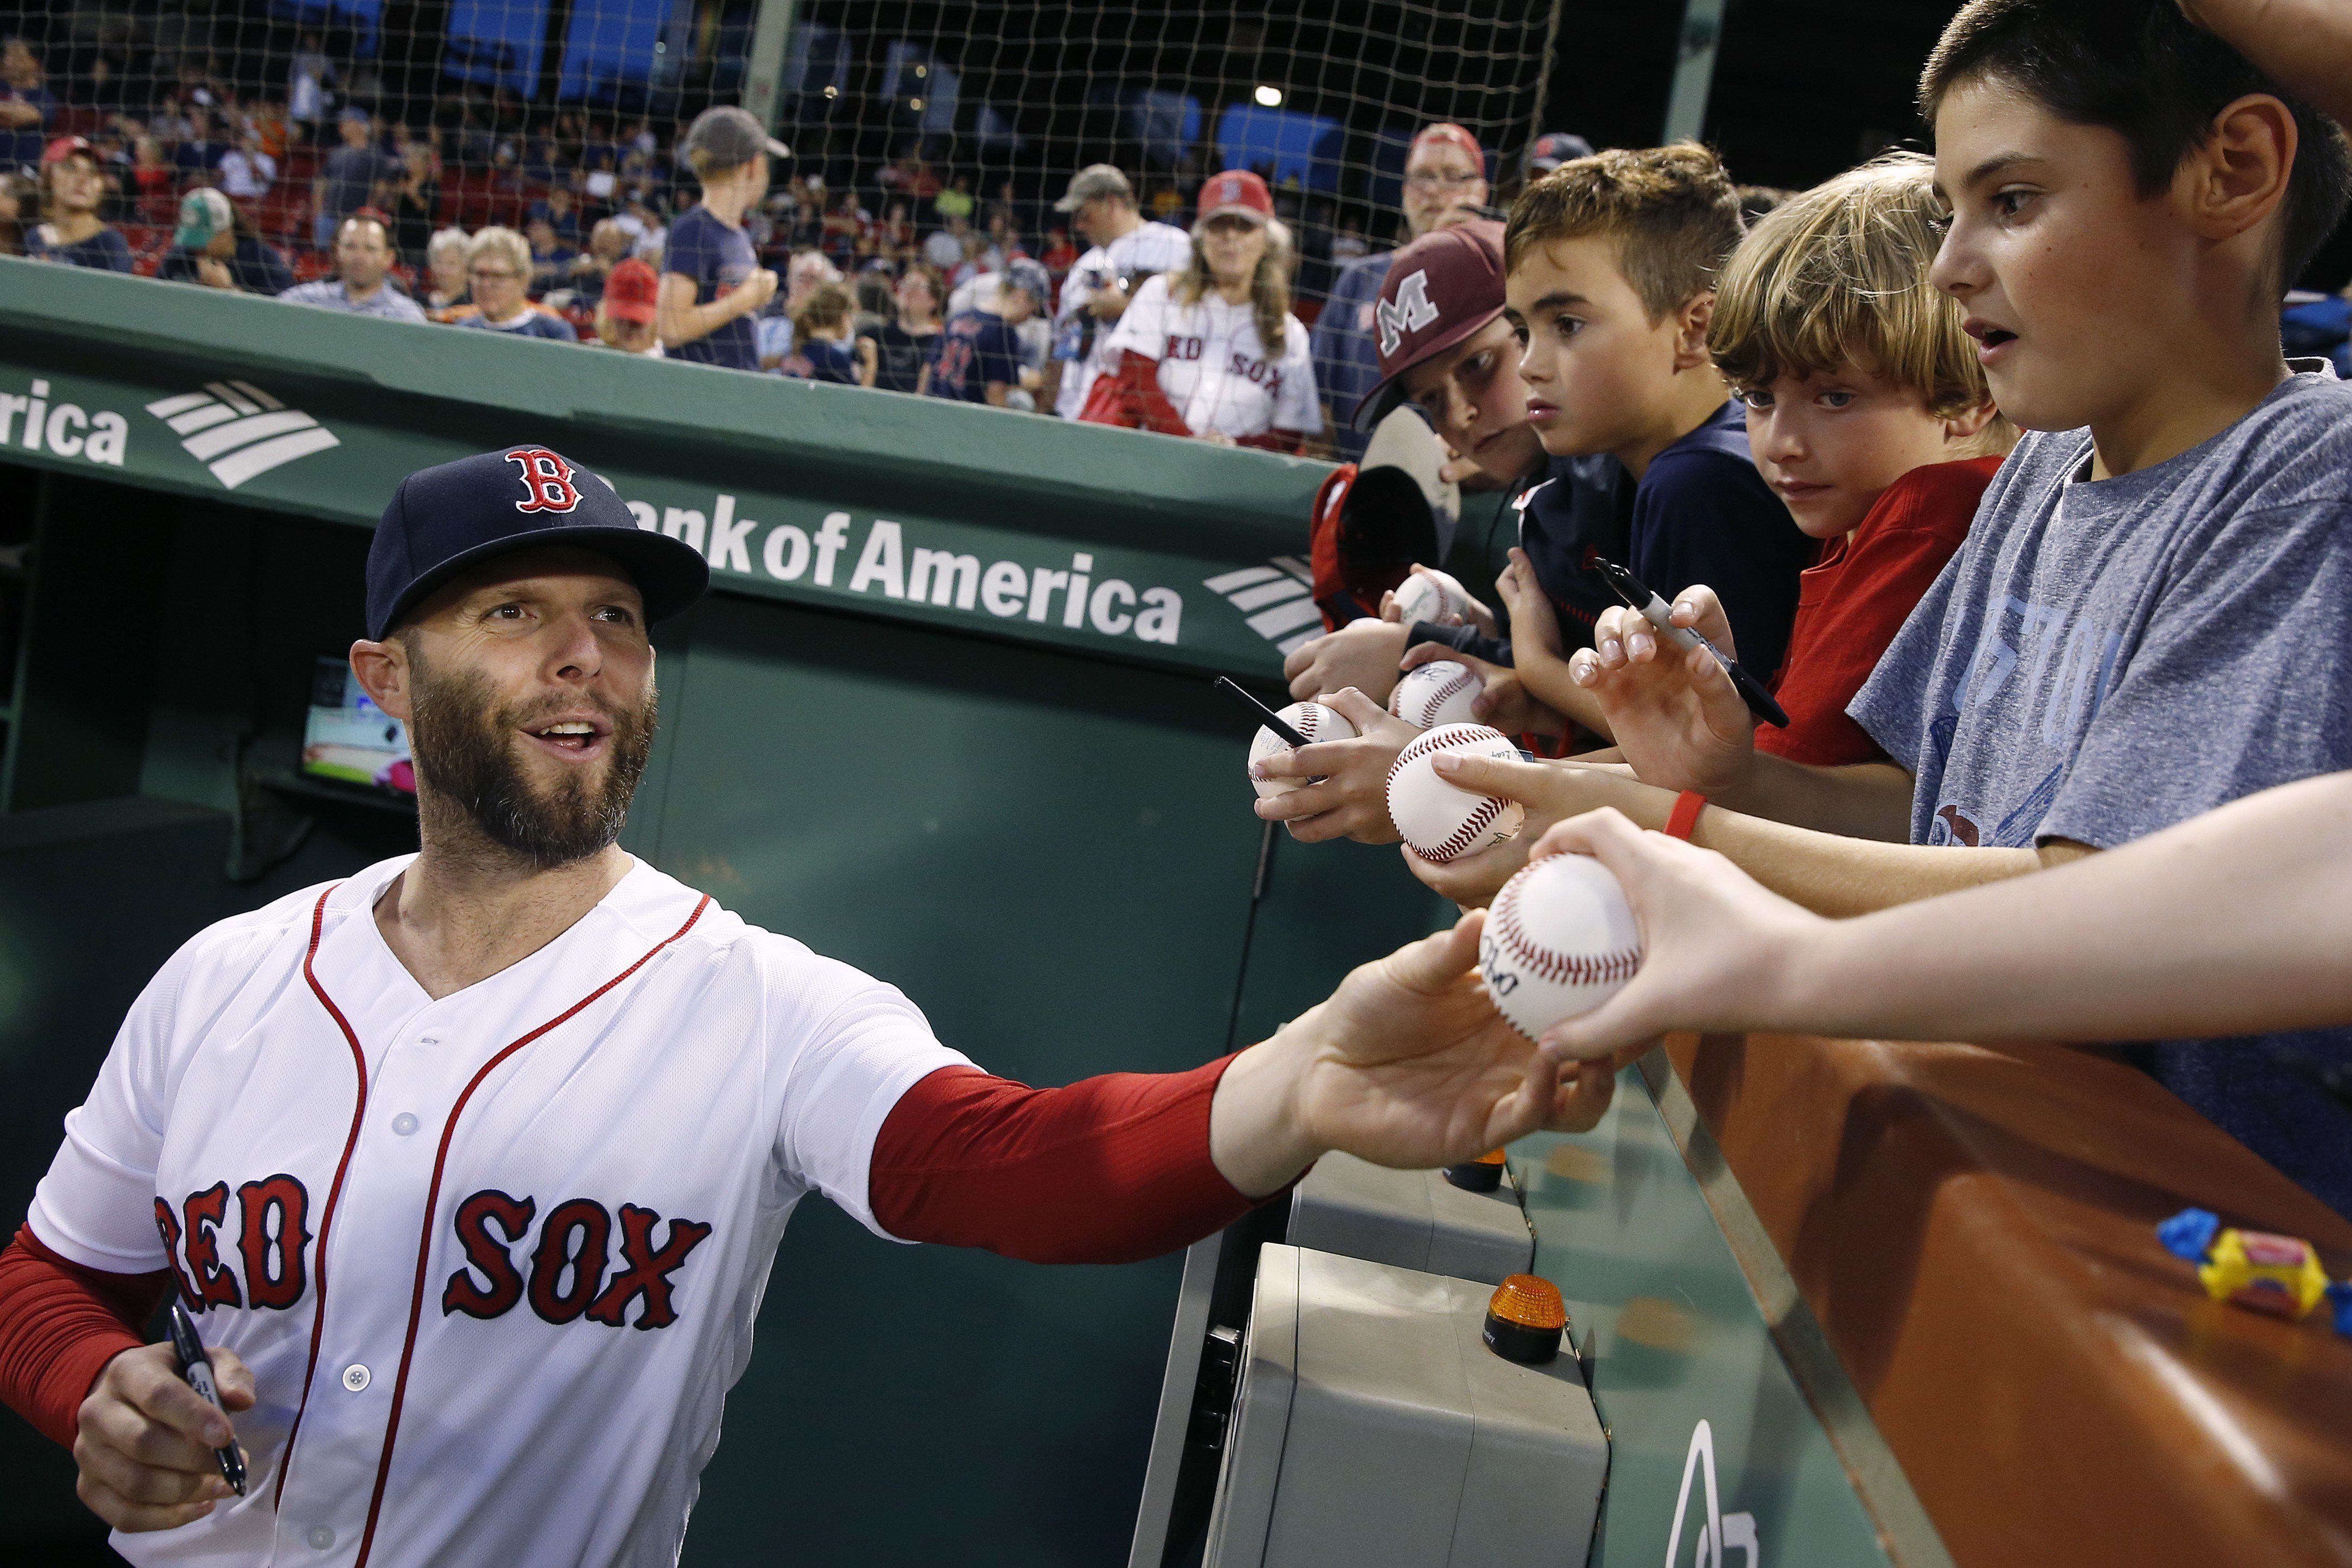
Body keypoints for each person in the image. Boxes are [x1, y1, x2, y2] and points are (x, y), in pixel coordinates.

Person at [0, 446, 1615, 1552]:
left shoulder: (753, 1000)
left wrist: (1307, 1070)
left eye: (617, 621)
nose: (585, 655)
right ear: (385, 680)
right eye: (515, 613)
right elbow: (50, 1271)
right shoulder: (221, 980)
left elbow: (1017, 1164)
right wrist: (96, 1384)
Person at [1420, 0, 2352, 1215]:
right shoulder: (2038, 470)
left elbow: (2081, 915)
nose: (1951, 263)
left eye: (2010, 201)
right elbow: (1920, 808)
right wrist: (1736, 774)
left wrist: (1673, 825)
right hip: (1984, 1169)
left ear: (2232, 171)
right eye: (1954, 208)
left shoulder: (2305, 478)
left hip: (2181, 1255)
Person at [1608, 151, 2012, 772]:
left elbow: (1782, 786)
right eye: (1760, 398)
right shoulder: (1858, 514)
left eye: (1836, 397)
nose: (1780, 442)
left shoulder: (1931, 513)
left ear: (1969, 398)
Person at [1081, 169, 1320, 451]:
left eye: (1244, 226)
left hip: (1234, 483)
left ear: (1267, 241)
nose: (1231, 236)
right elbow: (1134, 383)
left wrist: (1228, 451)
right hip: (1147, 460)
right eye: (1218, 226)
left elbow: (1289, 434)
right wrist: (1189, 443)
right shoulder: (1162, 294)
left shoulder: (1290, 333)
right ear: (1200, 238)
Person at [1313, 124, 1491, 461]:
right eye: (1423, 177)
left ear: (1480, 192)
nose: (1436, 191)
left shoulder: (1501, 276)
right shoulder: (1360, 278)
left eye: (1453, 176)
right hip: (1358, 475)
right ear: (1405, 191)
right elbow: (1321, 394)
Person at [1044, 163, 1192, 421]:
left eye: (1084, 214)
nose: (1078, 225)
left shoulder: (1175, 248)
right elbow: (1063, 347)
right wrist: (1048, 408)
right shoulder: (1083, 266)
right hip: (1076, 410)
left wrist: (1125, 308)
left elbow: (1194, 319)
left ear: (1111, 204)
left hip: (1141, 410)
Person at [657, 105, 784, 372]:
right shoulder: (693, 229)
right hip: (698, 396)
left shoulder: (738, 236)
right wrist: (746, 298)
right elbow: (671, 327)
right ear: (753, 165)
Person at [923, 257, 1046, 405]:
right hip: (966, 422)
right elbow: (995, 396)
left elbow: (927, 371)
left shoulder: (958, 318)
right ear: (1022, 295)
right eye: (1034, 307)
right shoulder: (1003, 332)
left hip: (933, 412)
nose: (1030, 316)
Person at [278, 212, 427, 322]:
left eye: (370, 249)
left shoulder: (406, 316)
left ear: (388, 258)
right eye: (351, 247)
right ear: (338, 252)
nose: (359, 257)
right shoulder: (307, 300)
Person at [157, 187, 293, 295]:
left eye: (202, 240)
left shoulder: (262, 260)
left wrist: (229, 291)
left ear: (227, 231)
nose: (196, 247)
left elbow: (285, 316)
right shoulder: (178, 258)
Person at [23, 137, 131, 273]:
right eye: (70, 168)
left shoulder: (110, 243)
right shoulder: (34, 237)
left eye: (92, 172)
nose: (83, 178)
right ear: (48, 177)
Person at [453, 225, 579, 341]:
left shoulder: (552, 333)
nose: (486, 284)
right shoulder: (463, 330)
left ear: (523, 280)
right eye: (480, 274)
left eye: (498, 276)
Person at [857, 261, 943, 392]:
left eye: (917, 287)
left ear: (934, 300)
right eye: (905, 284)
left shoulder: (940, 345)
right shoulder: (873, 335)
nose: (908, 291)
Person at [313, 109, 388, 253]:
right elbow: (321, 182)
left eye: (347, 122)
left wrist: (367, 214)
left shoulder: (375, 154)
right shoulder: (336, 152)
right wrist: (319, 213)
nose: (342, 126)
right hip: (329, 216)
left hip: (355, 220)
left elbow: (381, 188)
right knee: (322, 257)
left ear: (360, 126)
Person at [785, 279, 859, 383]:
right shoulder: (838, 361)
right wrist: (871, 365)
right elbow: (856, 398)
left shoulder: (794, 351)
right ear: (844, 316)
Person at [1, 38, 55, 173]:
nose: (8, 62)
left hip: (22, 175)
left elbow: (21, 118)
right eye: (7, 56)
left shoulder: (43, 97)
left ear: (34, 63)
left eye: (17, 57)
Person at [592, 256, 663, 356]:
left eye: (636, 322)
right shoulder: (589, 353)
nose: (627, 328)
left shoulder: (666, 361)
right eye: (620, 319)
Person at [215, 128, 274, 200]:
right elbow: (219, 177)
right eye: (244, 139)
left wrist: (250, 158)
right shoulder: (230, 156)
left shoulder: (266, 160)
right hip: (232, 196)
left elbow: (261, 180)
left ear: (257, 142)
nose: (245, 142)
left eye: (249, 140)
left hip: (253, 198)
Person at [424, 225, 470, 313]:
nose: (444, 271)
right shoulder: (420, 302)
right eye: (439, 262)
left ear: (467, 270)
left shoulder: (474, 305)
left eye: (451, 264)